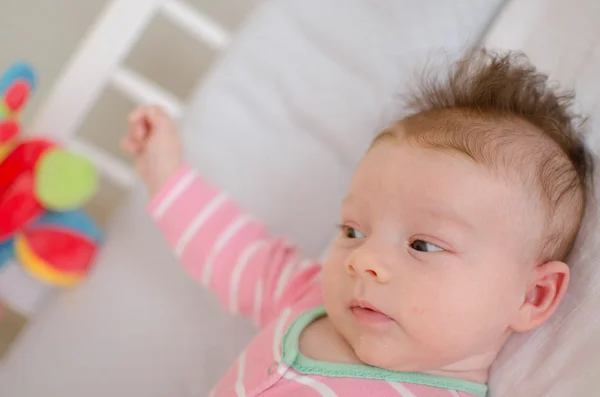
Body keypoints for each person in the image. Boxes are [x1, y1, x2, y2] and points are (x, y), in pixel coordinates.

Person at [122, 48, 593, 396]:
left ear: (532, 295)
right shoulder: (309, 298)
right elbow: (232, 253)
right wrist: (166, 174)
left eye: (423, 246)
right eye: (353, 231)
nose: (364, 260)